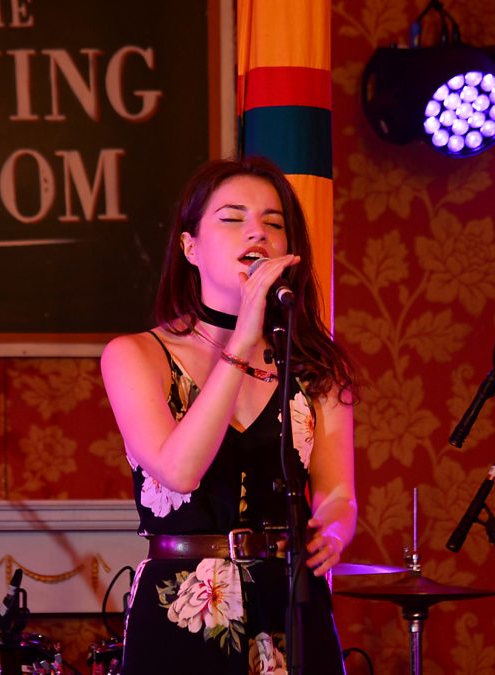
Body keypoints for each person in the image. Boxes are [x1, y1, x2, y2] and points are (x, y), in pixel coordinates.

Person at [100, 156, 358, 674]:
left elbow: (338, 493)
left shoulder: (316, 368)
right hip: (183, 605)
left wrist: (333, 530)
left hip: (289, 597)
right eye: (233, 218)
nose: (257, 233)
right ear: (190, 247)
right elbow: (179, 471)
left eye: (273, 223)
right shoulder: (136, 355)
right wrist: (242, 338)